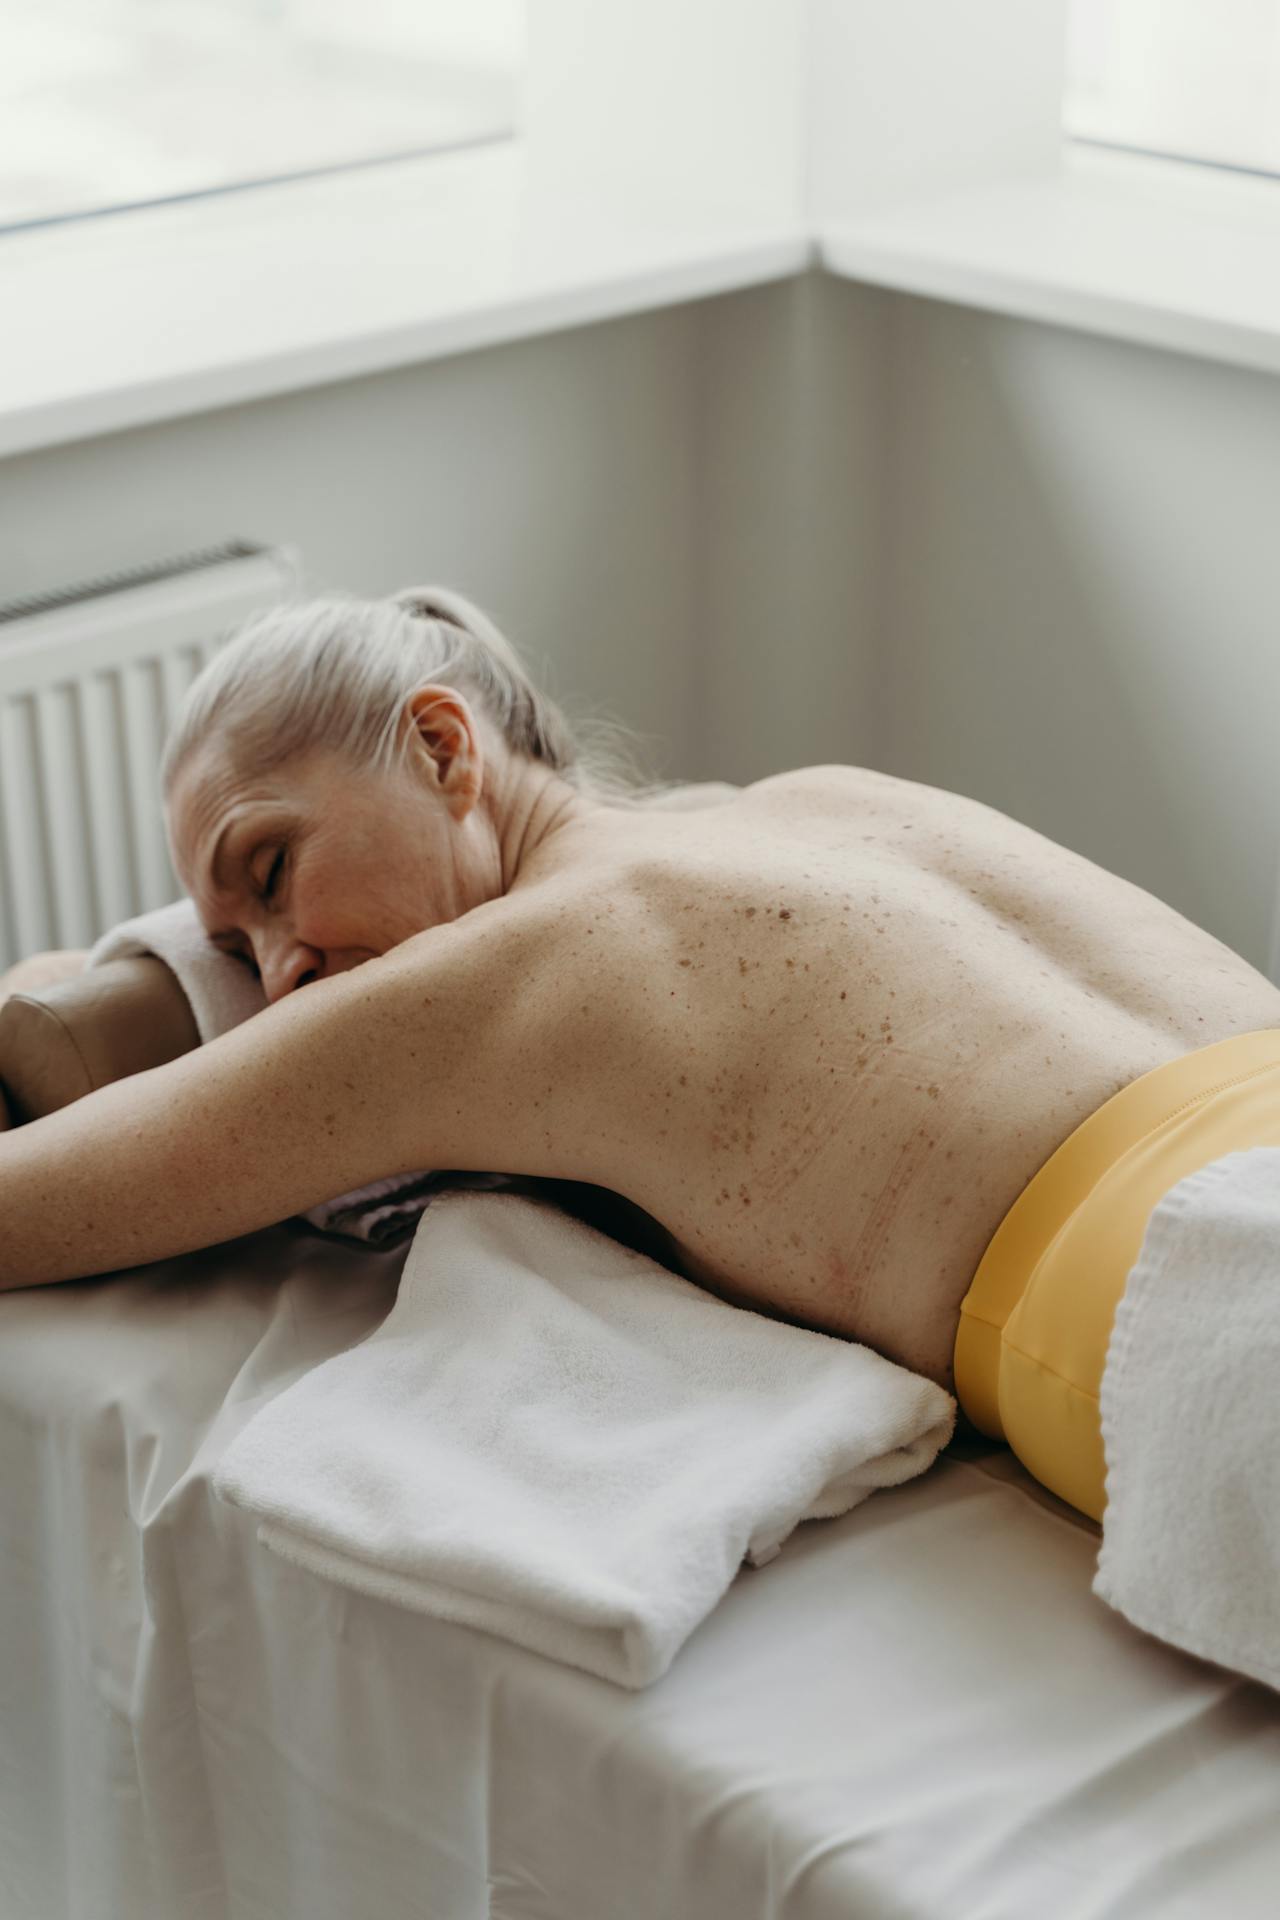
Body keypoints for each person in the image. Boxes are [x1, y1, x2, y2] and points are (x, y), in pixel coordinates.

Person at [3, 583, 1280, 1522]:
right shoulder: (824, 800)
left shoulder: (494, 980)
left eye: (272, 872)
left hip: (1195, 1303)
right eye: (235, 945)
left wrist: (51, 988)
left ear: (443, 748)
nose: (276, 974)